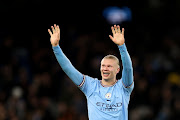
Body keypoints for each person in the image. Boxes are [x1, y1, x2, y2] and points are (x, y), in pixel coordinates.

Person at [48, 24, 134, 120]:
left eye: (109, 66)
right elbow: (69, 69)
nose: (105, 68)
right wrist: (56, 47)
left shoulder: (123, 87)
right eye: (103, 66)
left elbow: (128, 69)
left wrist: (122, 47)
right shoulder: (91, 85)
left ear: (117, 70)